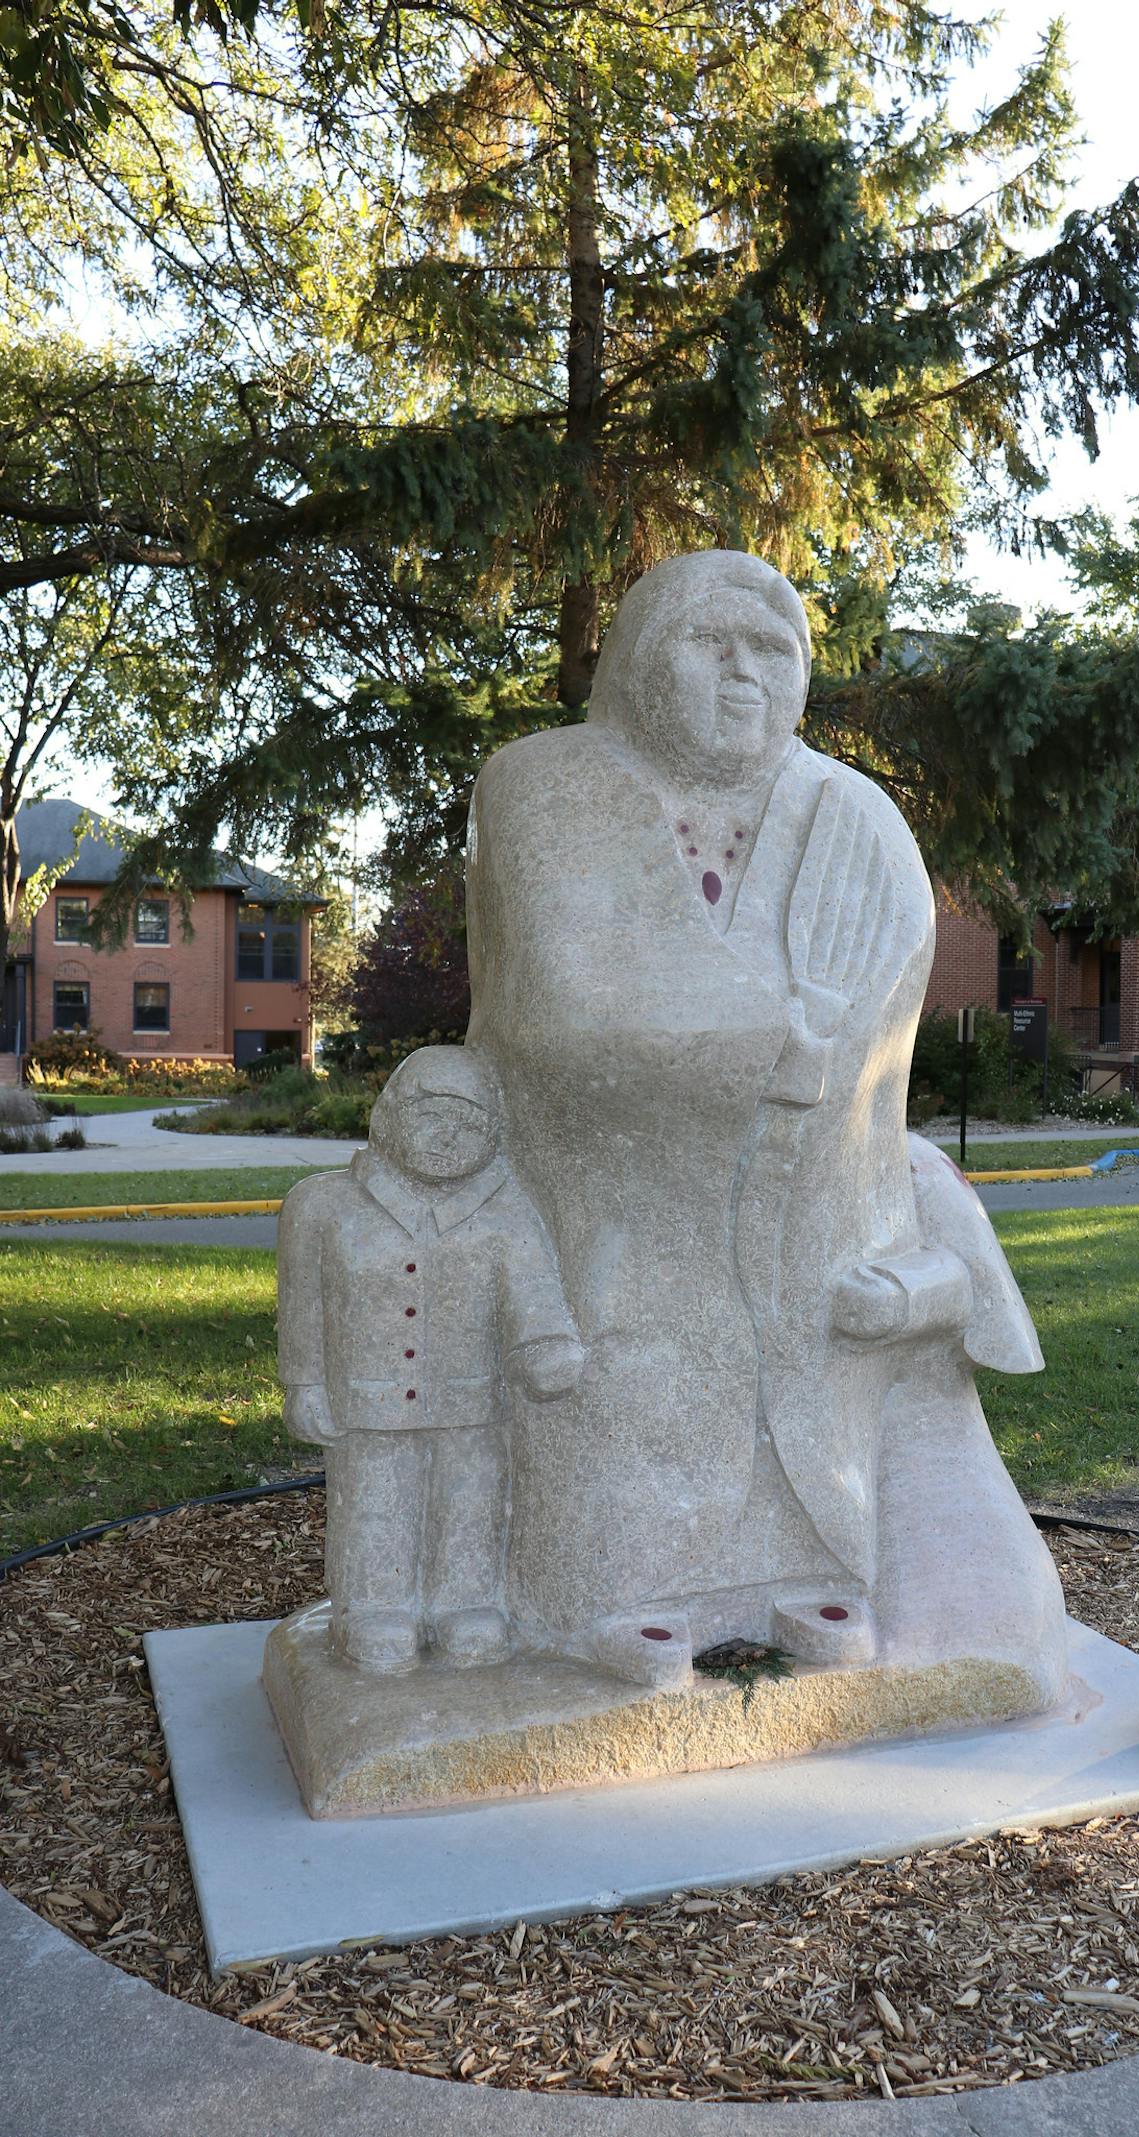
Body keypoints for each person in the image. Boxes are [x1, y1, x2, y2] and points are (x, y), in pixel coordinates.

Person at [467, 551, 1062, 1701]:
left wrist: (782, 1054)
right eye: (710, 643)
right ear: (640, 660)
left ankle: (811, 1589)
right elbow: (565, 1012)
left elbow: (863, 1041)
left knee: (824, 1482)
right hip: (610, 1239)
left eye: (772, 650)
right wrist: (783, 1039)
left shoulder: (856, 820)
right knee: (611, 1477)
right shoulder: (544, 787)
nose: (744, 672)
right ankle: (613, 1605)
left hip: (813, 1235)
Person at [277, 1045, 584, 1672]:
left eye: (471, 1124)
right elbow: (304, 1303)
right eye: (430, 1115)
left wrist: (546, 1351)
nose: (449, 1137)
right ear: (390, 1115)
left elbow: (534, 1299)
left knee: (470, 1499)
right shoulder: (322, 1206)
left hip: (472, 1402)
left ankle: (464, 1603)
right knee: (375, 1498)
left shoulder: (507, 1212)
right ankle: (374, 1606)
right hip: (367, 1404)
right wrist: (304, 1383)